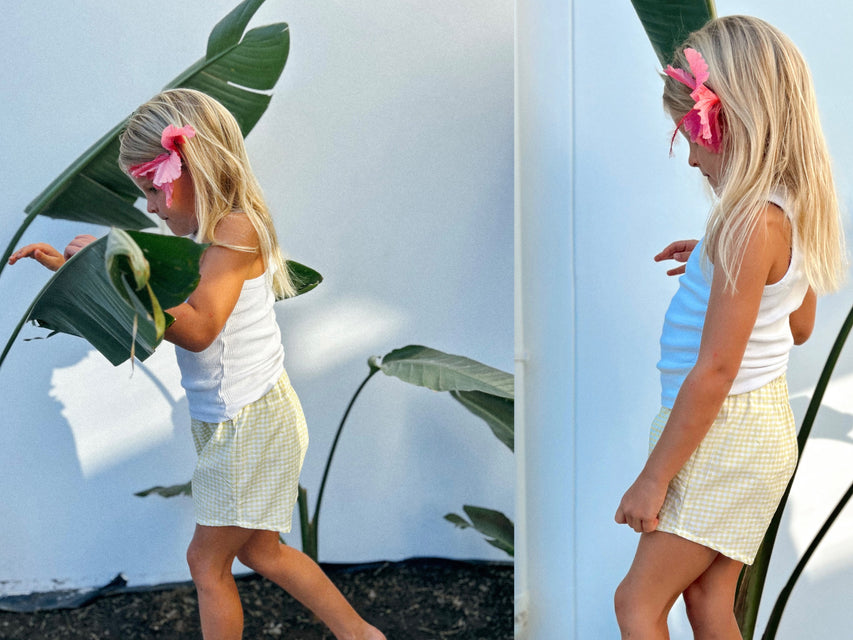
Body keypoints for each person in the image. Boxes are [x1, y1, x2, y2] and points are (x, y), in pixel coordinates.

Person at [9, 88, 385, 640]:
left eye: (152, 190)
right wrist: (88, 273)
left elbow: (200, 327)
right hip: (232, 418)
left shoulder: (237, 229)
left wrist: (110, 269)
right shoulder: (210, 235)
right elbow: (163, 311)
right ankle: (363, 636)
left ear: (193, 168)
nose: (151, 207)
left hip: (251, 421)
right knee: (262, 552)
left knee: (206, 563)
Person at [613, 16, 846, 639]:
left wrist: (653, 479)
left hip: (723, 431)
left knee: (636, 604)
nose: (691, 157)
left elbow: (715, 371)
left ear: (737, 122)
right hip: (757, 429)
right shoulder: (785, 211)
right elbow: (797, 324)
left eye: (693, 136)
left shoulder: (747, 226)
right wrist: (717, 268)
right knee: (708, 601)